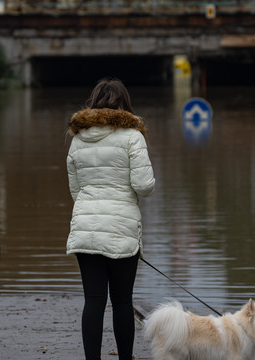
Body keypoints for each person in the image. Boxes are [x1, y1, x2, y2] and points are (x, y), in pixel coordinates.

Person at [66, 78, 156, 360]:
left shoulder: (78, 139)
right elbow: (144, 186)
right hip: (121, 227)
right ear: (125, 104)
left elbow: (75, 189)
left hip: (84, 228)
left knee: (93, 300)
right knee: (122, 302)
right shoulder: (133, 137)